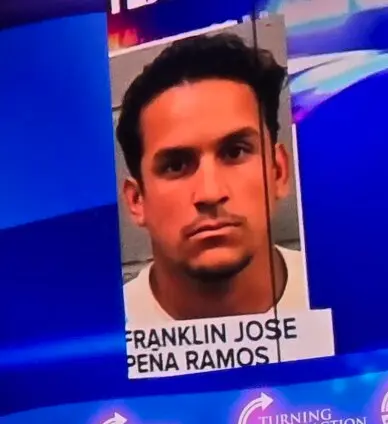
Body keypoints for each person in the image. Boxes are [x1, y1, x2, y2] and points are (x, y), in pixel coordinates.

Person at [116, 32, 308, 324]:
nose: (210, 192)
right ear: (137, 201)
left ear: (278, 171)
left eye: (235, 152)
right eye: (176, 165)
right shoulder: (96, 343)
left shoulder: (348, 297)